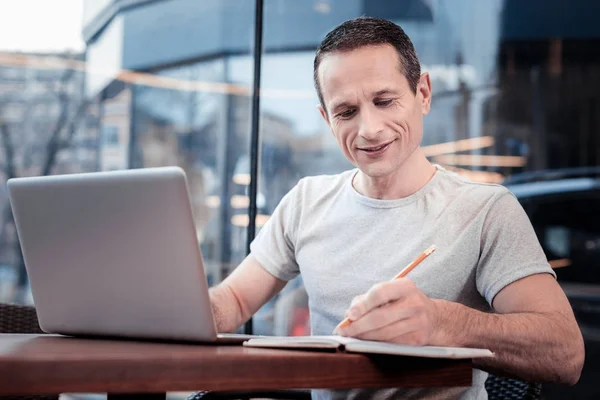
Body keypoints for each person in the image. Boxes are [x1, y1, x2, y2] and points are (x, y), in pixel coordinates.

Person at [209, 16, 584, 399]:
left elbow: (565, 354)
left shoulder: (485, 210)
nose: (369, 128)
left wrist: (442, 323)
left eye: (384, 101)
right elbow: (235, 300)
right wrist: (177, 308)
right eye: (346, 112)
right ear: (327, 119)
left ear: (422, 93)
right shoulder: (306, 202)